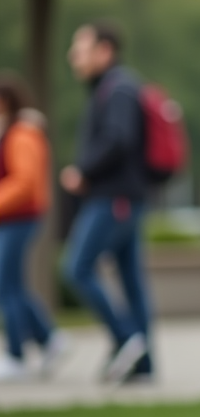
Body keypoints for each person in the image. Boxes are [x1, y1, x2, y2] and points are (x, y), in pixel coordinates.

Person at [61, 22, 154, 384]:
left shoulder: (118, 89)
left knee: (76, 268)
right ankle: (143, 363)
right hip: (124, 197)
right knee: (131, 281)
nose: (73, 56)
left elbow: (118, 138)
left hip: (113, 197)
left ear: (105, 51)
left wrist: (82, 170)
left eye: (81, 49)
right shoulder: (116, 87)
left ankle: (126, 338)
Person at [0, 73, 67, 382]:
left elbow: (24, 182)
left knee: (7, 286)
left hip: (20, 218)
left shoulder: (22, 134)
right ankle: (49, 339)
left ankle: (17, 354)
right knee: (12, 285)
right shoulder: (13, 131)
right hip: (13, 218)